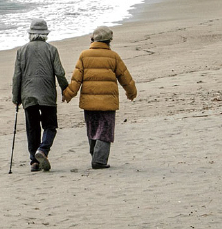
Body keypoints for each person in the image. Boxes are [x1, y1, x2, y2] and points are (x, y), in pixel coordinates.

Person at [62, 26, 137, 169]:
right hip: (108, 102)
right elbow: (125, 77)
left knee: (93, 128)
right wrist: (131, 92)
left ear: (92, 39)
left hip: (89, 102)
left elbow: (76, 80)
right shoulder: (113, 56)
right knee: (105, 130)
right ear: (109, 41)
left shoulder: (84, 55)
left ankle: (95, 156)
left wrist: (68, 94)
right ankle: (99, 160)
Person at [12, 19, 69, 172]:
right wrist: (65, 89)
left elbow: (17, 76)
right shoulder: (52, 50)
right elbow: (59, 72)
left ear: (30, 34)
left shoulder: (21, 51)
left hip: (28, 95)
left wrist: (16, 97)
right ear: (45, 34)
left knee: (33, 128)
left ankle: (34, 162)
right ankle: (43, 150)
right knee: (50, 126)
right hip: (47, 95)